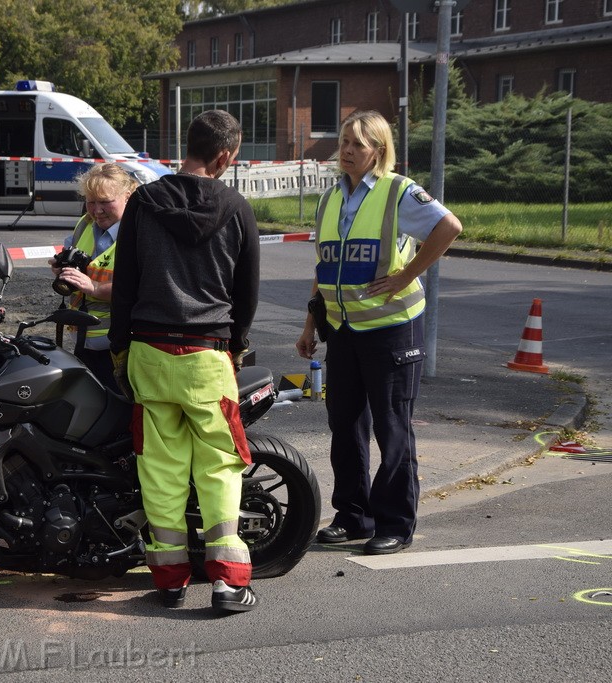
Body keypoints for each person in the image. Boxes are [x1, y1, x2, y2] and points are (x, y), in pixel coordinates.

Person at [109, 110, 260, 613]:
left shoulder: (144, 202)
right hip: (207, 356)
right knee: (219, 469)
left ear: (186, 146)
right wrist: (235, 345)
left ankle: (169, 579)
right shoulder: (237, 207)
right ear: (224, 157)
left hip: (150, 352)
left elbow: (124, 284)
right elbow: (247, 291)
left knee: (161, 469)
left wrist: (119, 347)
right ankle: (229, 583)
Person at [295, 110, 463, 556]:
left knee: (392, 427)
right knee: (344, 425)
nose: (347, 151)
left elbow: (449, 226)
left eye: (358, 144)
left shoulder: (398, 192)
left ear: (379, 150)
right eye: (344, 142)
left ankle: (394, 523)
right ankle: (352, 516)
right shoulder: (330, 198)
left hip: (392, 330)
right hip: (343, 329)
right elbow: (323, 266)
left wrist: (407, 273)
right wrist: (311, 323)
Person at [50, 163, 138, 392]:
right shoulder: (85, 224)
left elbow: (141, 285)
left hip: (124, 346)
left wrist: (96, 288)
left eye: (105, 201)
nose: (97, 210)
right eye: (91, 201)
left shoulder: (139, 232)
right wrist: (61, 268)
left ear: (127, 196)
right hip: (84, 342)